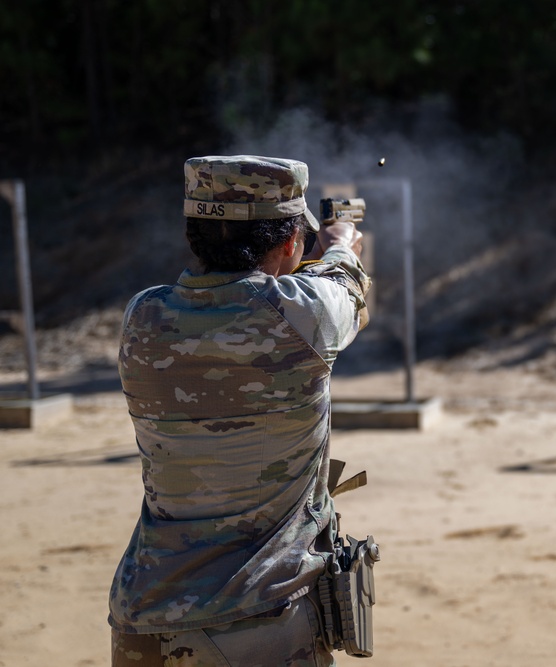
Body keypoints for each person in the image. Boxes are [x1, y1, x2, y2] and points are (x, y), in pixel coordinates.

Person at [108, 155, 370, 666]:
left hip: (144, 617)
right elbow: (348, 287)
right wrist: (338, 243)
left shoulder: (143, 317)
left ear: (193, 234)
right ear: (291, 240)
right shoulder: (303, 315)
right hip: (259, 622)